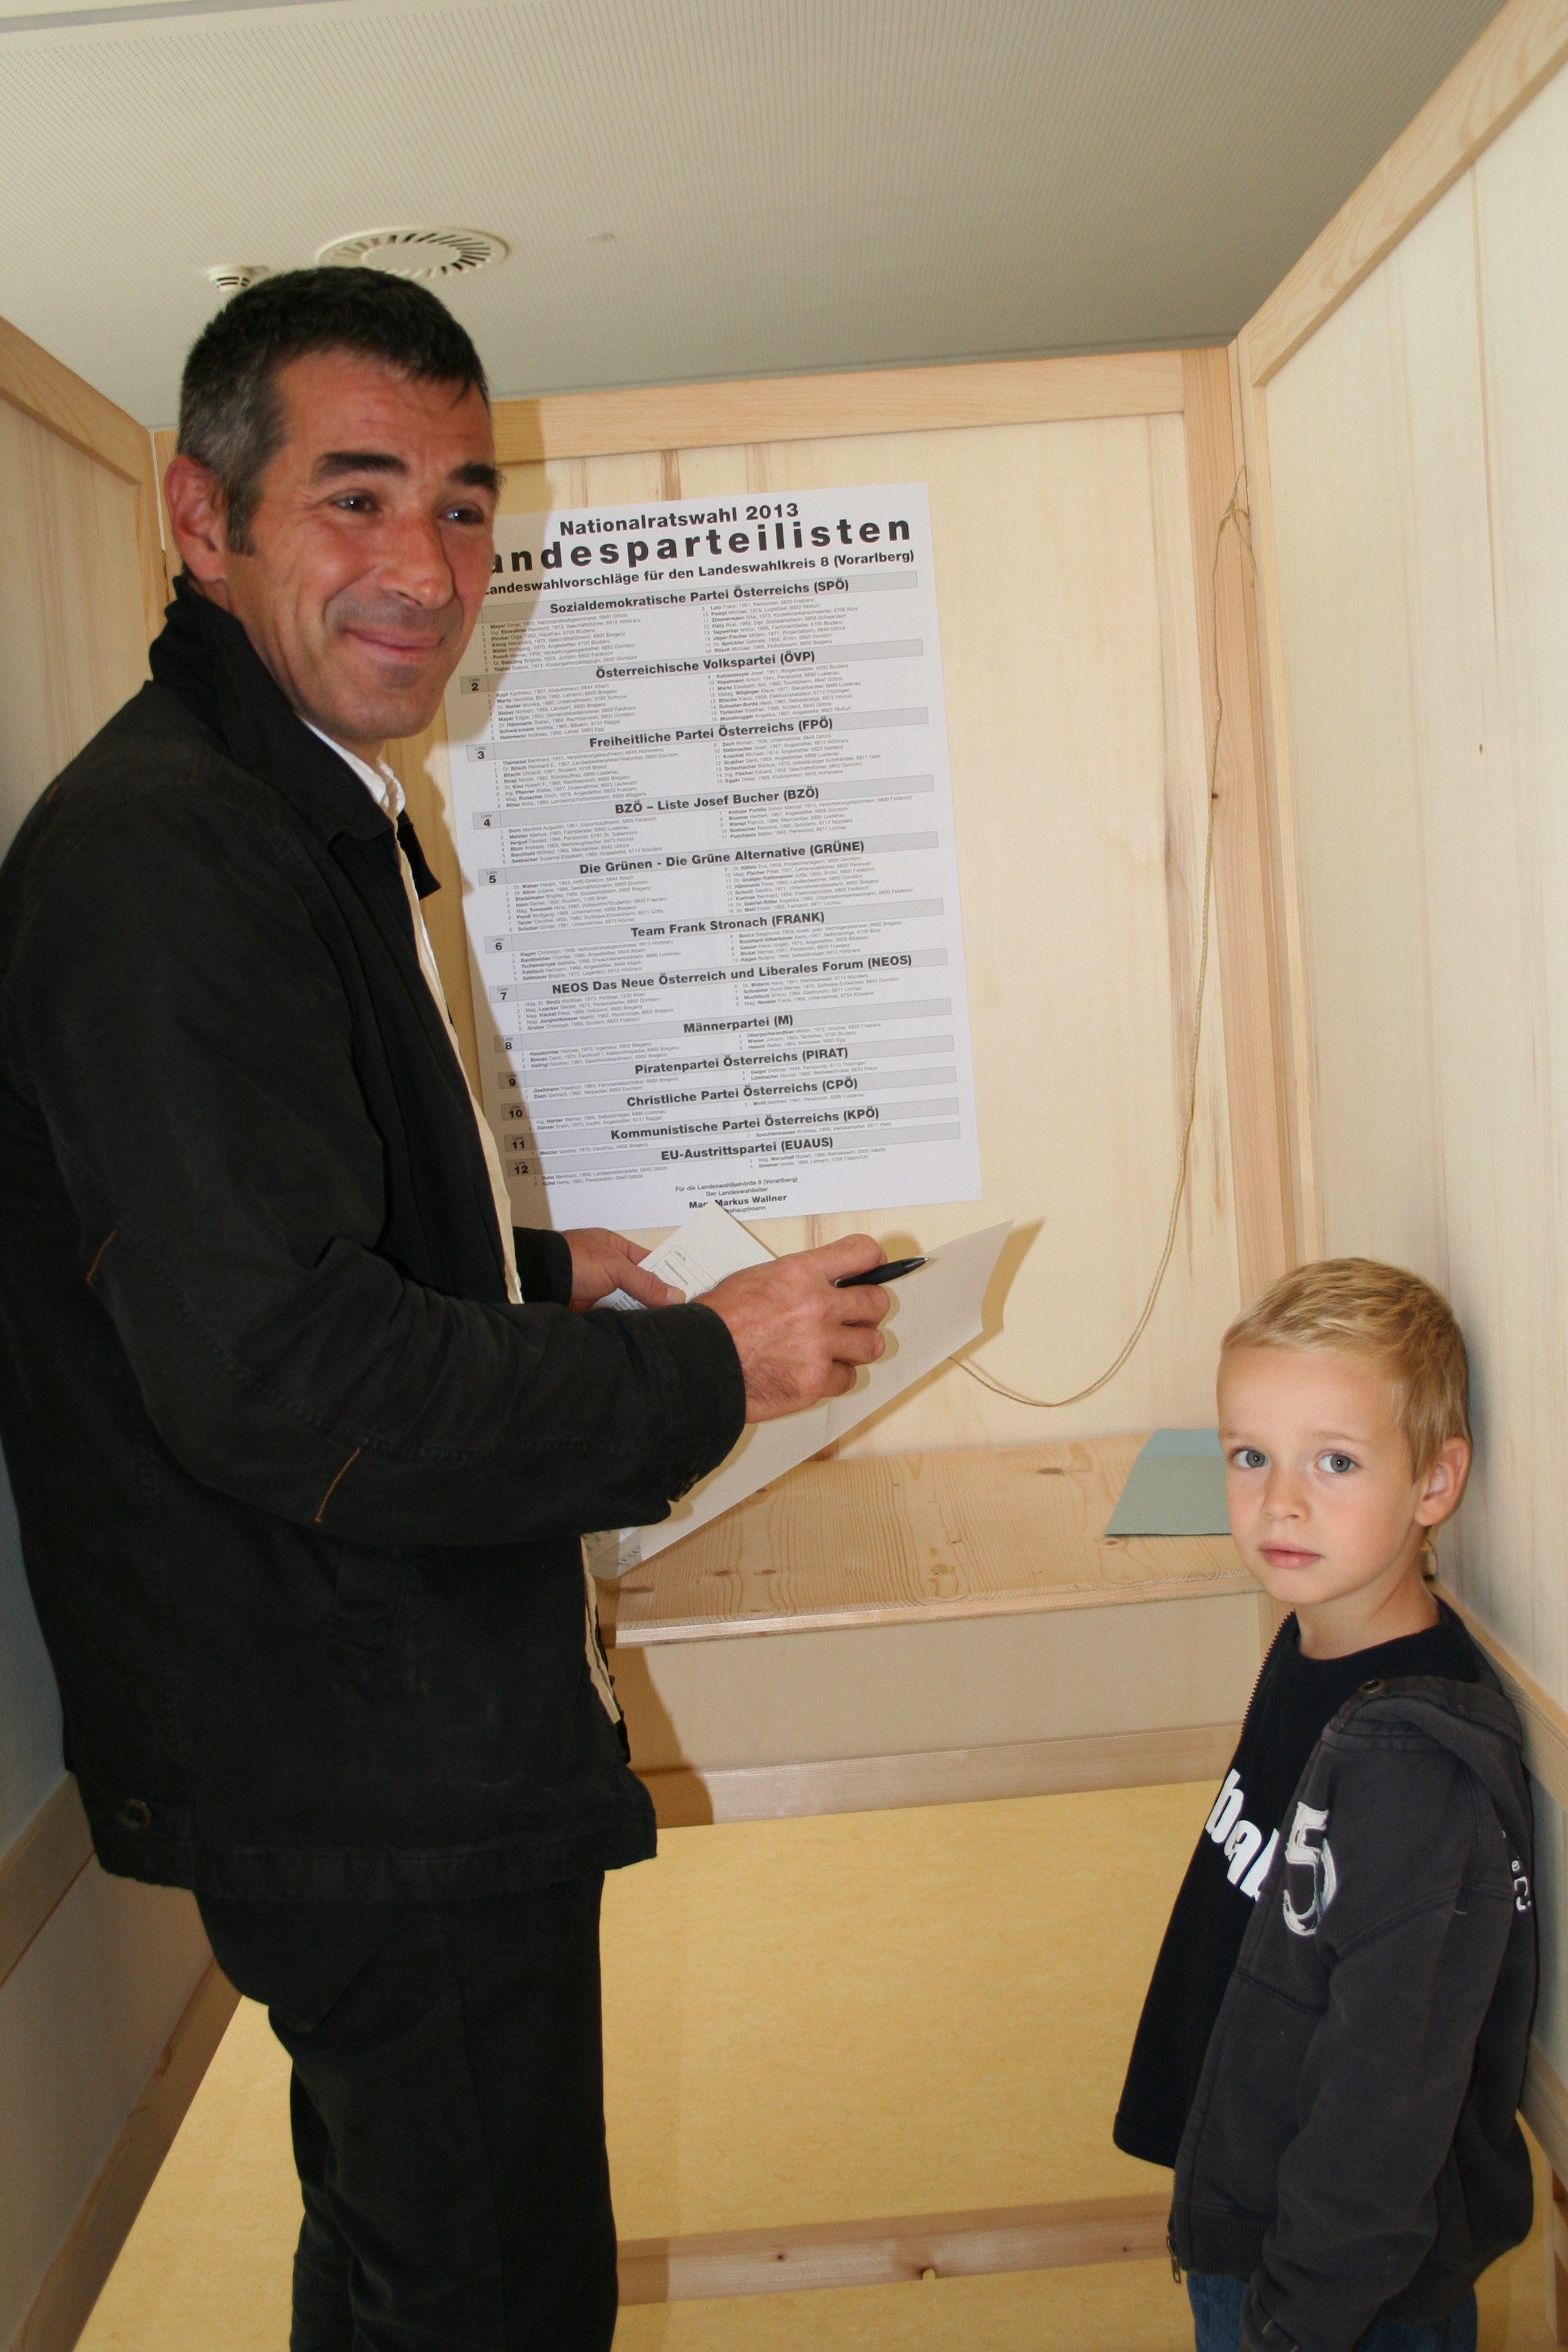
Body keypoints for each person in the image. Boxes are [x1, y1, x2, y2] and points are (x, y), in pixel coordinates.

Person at [0, 268, 892, 2351]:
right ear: (200, 518)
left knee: (414, 2272)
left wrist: (529, 1269)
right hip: (361, 1748)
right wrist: (705, 1363)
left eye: (466, 505)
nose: (428, 567)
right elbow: (284, 1372)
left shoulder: (288, 803)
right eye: (358, 497)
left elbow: (252, 1245)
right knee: (490, 2302)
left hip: (358, 1714)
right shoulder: (173, 857)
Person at [1113, 1259, 1535, 2352]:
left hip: (1337, 2293)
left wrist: (1298, 2318)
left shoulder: (1410, 1767)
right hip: (1256, 2210)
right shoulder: (1313, 1644)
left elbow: (1384, 2105)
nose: (1281, 1503)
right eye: (1250, 1456)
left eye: (1336, 1461)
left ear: (1434, 1483)